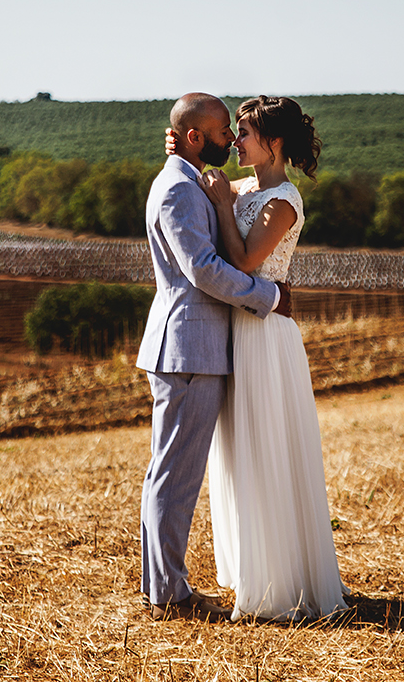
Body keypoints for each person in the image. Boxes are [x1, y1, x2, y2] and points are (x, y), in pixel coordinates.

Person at [188, 95, 349, 622]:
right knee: (238, 453)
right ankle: (251, 571)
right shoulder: (243, 188)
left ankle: (283, 583)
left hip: (265, 334)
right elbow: (203, 185)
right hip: (235, 329)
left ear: (273, 142)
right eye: (234, 131)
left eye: (246, 132)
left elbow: (244, 259)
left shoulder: (283, 200)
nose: (236, 141)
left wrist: (217, 205)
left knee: (268, 449)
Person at [136, 91, 290, 622]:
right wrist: (268, 296)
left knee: (172, 473)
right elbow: (202, 268)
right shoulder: (178, 189)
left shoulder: (188, 177)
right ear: (197, 136)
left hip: (196, 348)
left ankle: (162, 587)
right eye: (224, 131)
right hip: (188, 348)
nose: (232, 138)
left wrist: (185, 151)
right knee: (174, 476)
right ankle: (167, 595)